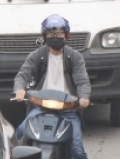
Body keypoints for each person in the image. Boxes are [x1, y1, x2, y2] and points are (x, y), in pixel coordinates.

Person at [13, 15, 90, 159]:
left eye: (59, 34)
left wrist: (84, 97)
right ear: (45, 36)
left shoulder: (75, 57)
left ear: (66, 35)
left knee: (78, 149)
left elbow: (82, 81)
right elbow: (23, 74)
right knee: (20, 133)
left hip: (68, 109)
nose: (56, 37)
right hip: (40, 107)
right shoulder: (37, 56)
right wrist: (19, 89)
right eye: (51, 34)